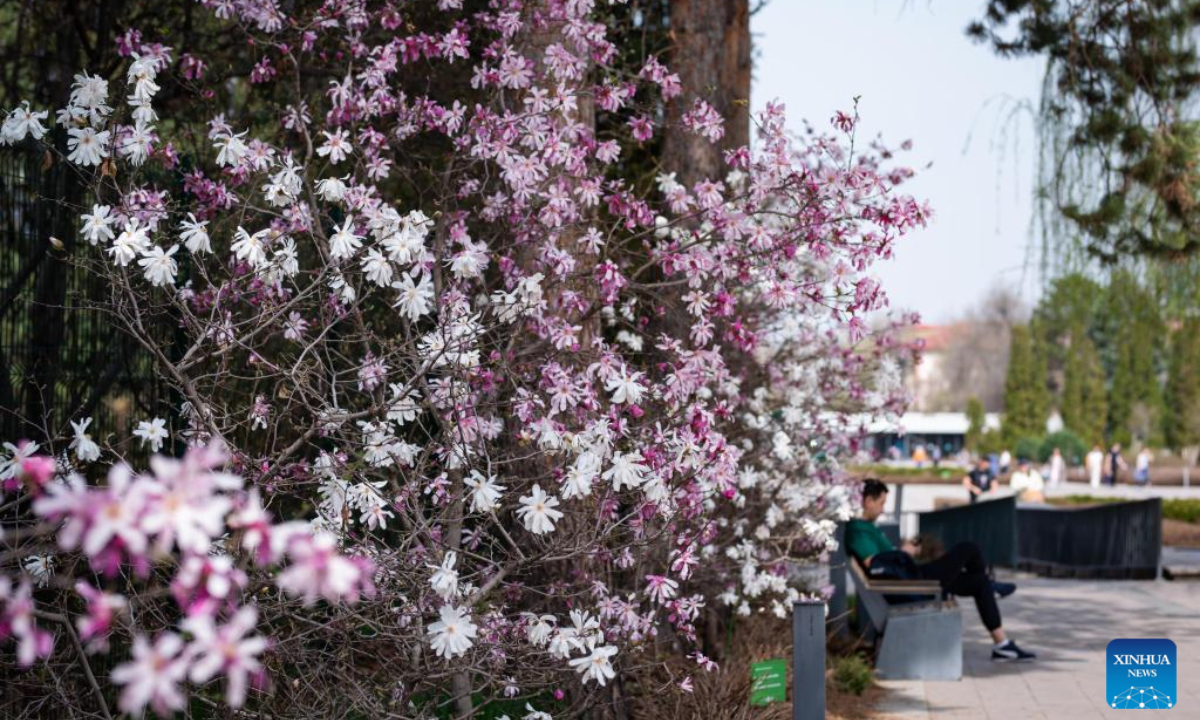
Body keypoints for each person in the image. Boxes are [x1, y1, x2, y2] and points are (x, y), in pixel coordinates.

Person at [846, 479, 1035, 662]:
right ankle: (992, 590)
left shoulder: (867, 528)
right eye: (881, 503)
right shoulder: (858, 530)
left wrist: (904, 552)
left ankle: (1002, 644)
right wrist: (904, 552)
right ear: (868, 501)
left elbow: (882, 561)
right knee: (968, 549)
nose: (883, 509)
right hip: (911, 584)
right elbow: (874, 564)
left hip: (910, 578)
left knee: (979, 584)